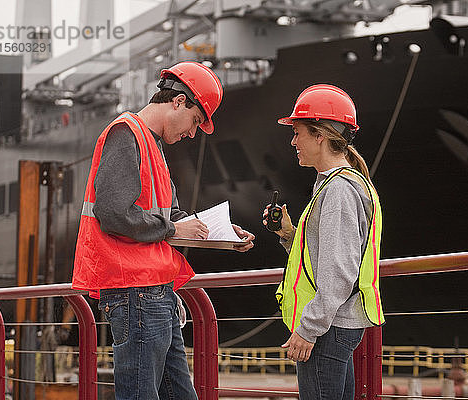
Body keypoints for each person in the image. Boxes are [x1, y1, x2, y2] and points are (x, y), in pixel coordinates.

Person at [72, 61, 254, 400]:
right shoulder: (126, 134)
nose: (193, 132)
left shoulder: (150, 144)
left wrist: (220, 233)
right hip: (136, 291)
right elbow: (113, 214)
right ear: (179, 101)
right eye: (196, 121)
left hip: (153, 291)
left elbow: (168, 218)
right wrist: (171, 227)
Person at [262, 84, 385, 399]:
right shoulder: (339, 185)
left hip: (327, 328)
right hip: (335, 325)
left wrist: (308, 329)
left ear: (320, 135)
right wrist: (289, 234)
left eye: (298, 132)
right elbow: (324, 258)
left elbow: (339, 271)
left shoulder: (338, 191)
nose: (293, 141)